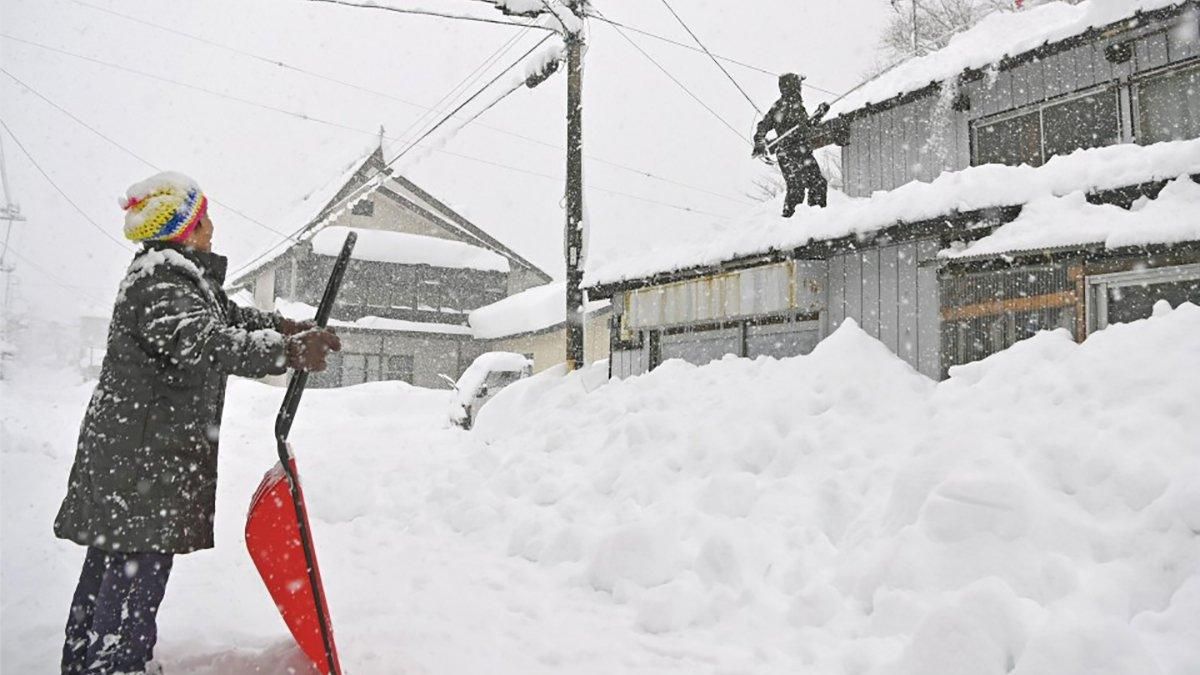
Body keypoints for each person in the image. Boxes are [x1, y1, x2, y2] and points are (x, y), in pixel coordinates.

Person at [53, 172, 342, 674]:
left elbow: (229, 319)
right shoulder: (161, 285)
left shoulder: (177, 280)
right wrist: (287, 351)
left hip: (136, 453)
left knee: (115, 562)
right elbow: (207, 342)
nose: (212, 229)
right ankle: (114, 665)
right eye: (204, 221)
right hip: (140, 459)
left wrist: (285, 327)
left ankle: (90, 661)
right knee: (134, 572)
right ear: (184, 230)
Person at [753, 72, 831, 217]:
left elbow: (806, 128)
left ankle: (816, 216)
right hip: (788, 153)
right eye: (799, 84)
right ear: (792, 86)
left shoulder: (798, 106)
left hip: (803, 152)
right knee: (797, 188)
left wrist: (818, 114)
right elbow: (763, 126)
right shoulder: (780, 106)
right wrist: (759, 141)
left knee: (818, 183)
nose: (801, 87)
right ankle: (789, 222)